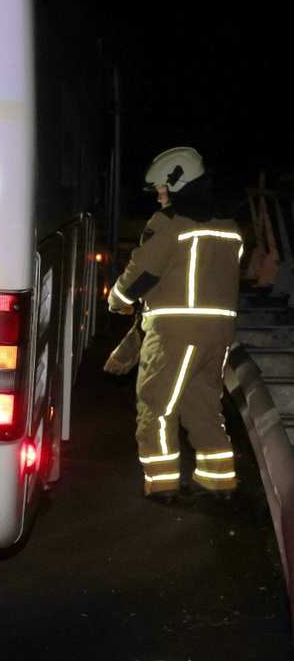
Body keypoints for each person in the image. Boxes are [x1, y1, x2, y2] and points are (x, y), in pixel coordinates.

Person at [108, 146, 242, 501]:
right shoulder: (230, 229)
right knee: (202, 404)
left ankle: (163, 482)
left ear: (178, 183)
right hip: (220, 332)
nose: (159, 197)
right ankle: (218, 479)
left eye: (162, 189)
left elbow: (141, 273)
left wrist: (117, 299)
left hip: (175, 332)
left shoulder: (169, 226)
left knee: (156, 405)